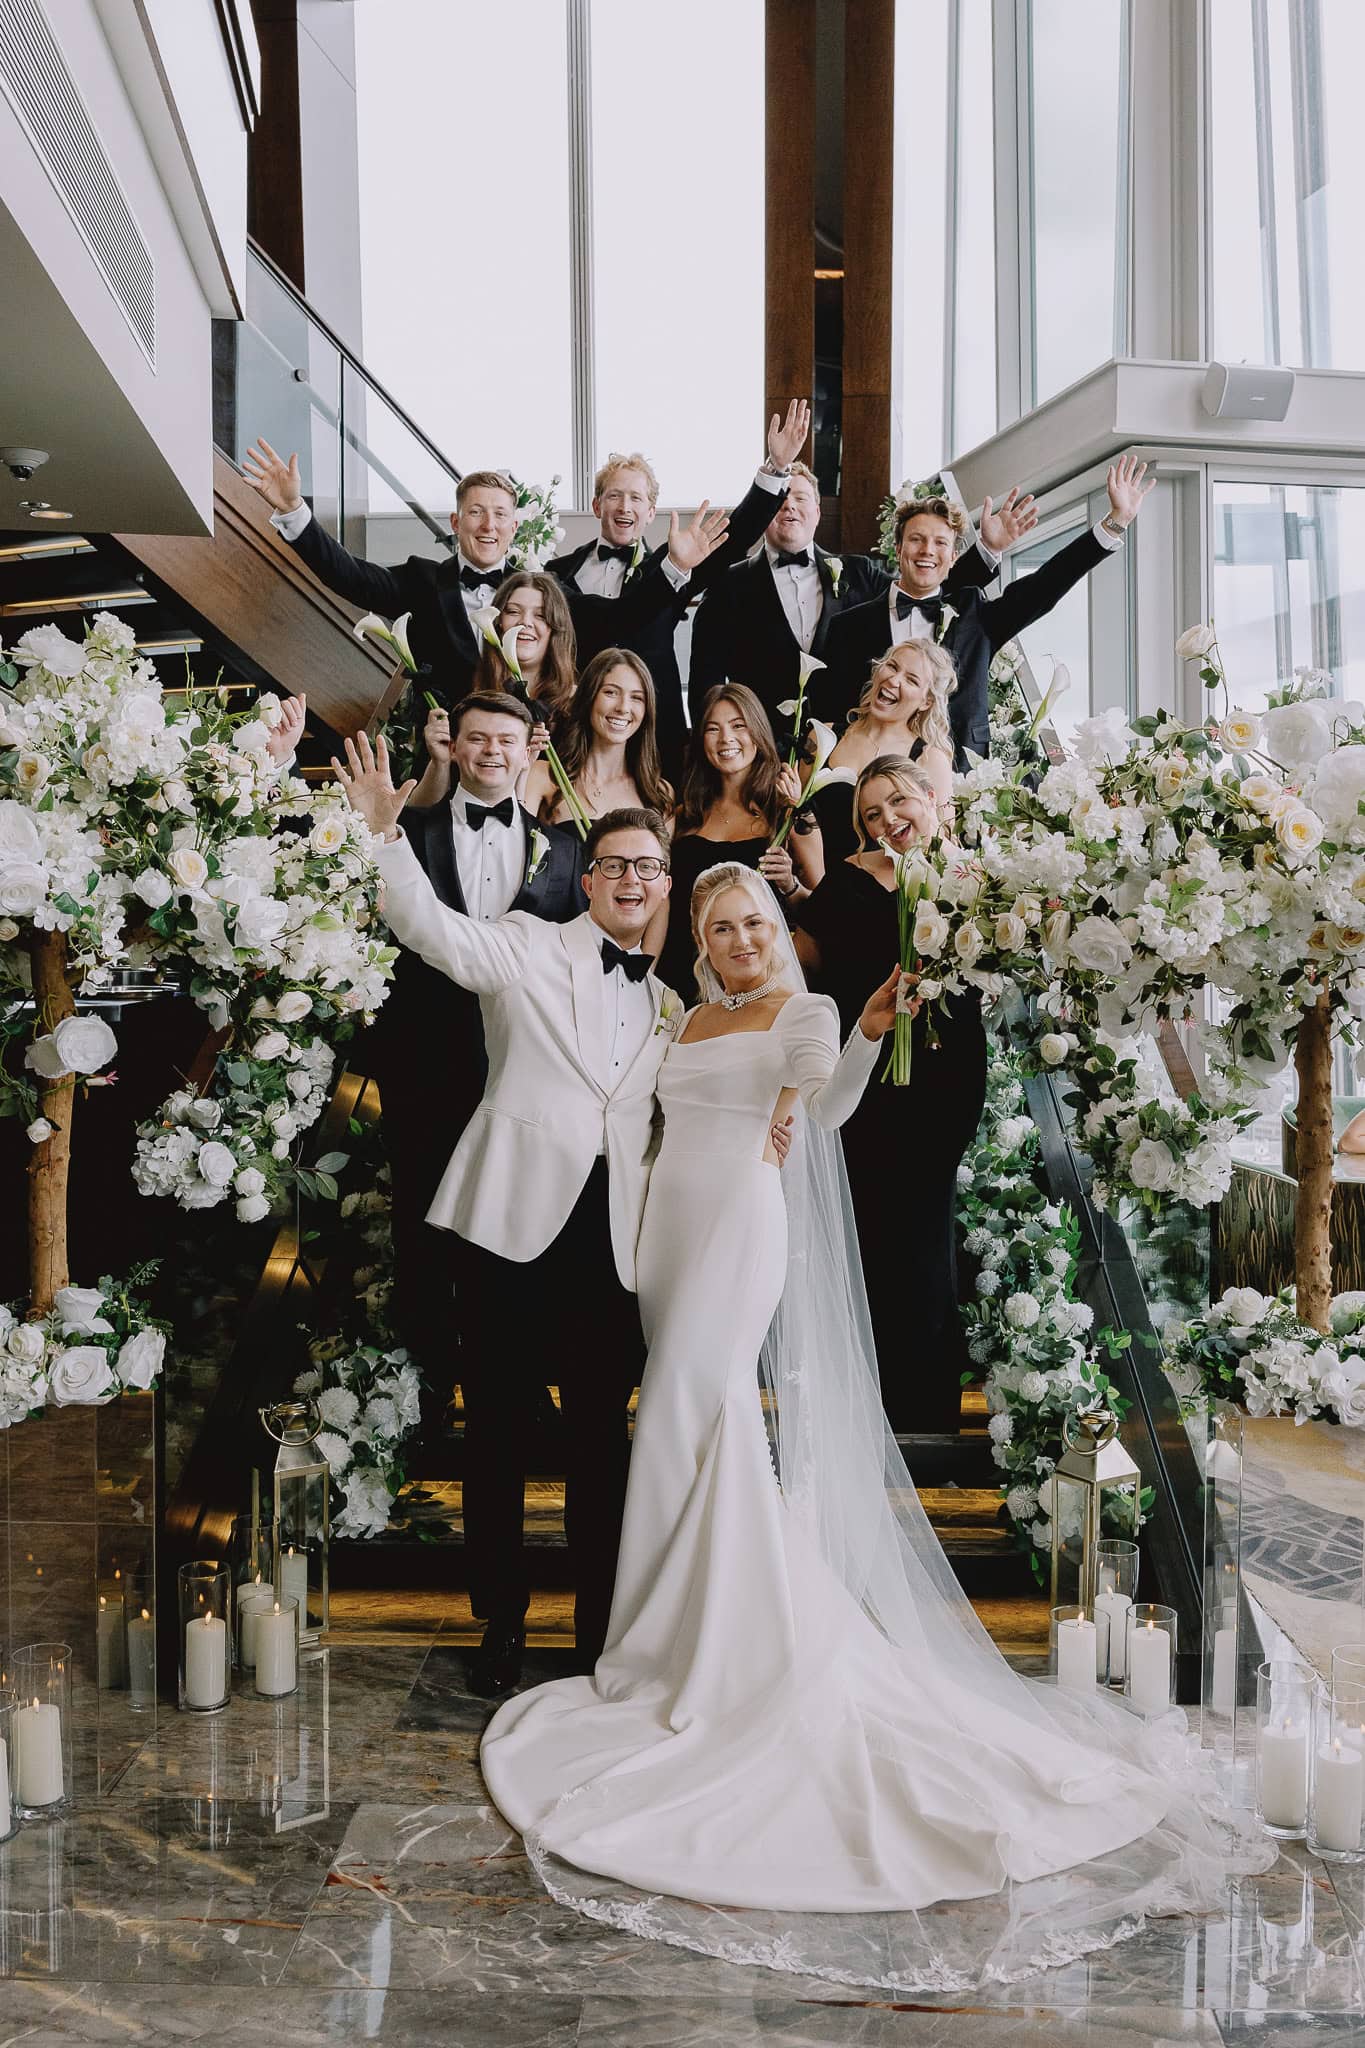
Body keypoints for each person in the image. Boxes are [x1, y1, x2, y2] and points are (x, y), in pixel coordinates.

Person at [475, 857, 1259, 1992]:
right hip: (664, 1241)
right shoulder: (684, 1014)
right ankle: (683, 1634)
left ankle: (708, 1653)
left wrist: (804, 1091)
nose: (739, 935)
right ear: (700, 938)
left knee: (687, 1411)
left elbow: (819, 1088)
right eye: (721, 923)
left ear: (777, 929)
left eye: (752, 920)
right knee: (694, 1428)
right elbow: (631, 1118)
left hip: (743, 1221)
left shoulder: (806, 1007)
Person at [333, 741, 795, 1696]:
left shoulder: (675, 1007)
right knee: (495, 1439)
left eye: (649, 868)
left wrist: (771, 1130)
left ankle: (600, 1631)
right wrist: (382, 835)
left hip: (616, 1247)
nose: (633, 880)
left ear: (667, 887)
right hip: (507, 1229)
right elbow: (432, 932)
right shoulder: (525, 945)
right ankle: (499, 1625)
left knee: (598, 1444)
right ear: (586, 881)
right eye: (616, 865)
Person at [357, 693, 583, 1468]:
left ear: (530, 752)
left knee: (521, 1233)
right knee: (423, 1235)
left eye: (505, 741)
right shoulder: (404, 832)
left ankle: (519, 1389)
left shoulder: (567, 848)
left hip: (527, 1076)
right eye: (476, 738)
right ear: (452, 746)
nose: (491, 751)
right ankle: (426, 1395)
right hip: (425, 1068)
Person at [242, 443, 708, 731]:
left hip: (522, 751)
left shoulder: (540, 590)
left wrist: (674, 566)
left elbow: (617, 619)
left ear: (514, 527)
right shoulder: (421, 579)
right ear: (455, 521)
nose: (489, 526)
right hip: (439, 749)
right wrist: (295, 513)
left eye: (500, 514)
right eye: (477, 513)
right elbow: (348, 574)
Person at [796, 756, 986, 1433]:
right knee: (873, 1230)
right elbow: (799, 962)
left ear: (930, 799)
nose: (887, 821)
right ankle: (863, 1410)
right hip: (868, 1076)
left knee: (926, 1231)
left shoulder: (973, 878)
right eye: (871, 814)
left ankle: (927, 1410)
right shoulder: (847, 882)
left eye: (897, 803)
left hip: (945, 1072)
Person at [823, 455, 1156, 766]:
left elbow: (1045, 585)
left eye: (941, 543)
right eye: (916, 539)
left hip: (956, 775)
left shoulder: (974, 615)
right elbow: (832, 713)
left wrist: (1113, 525)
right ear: (898, 548)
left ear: (954, 557)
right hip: (871, 780)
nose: (927, 550)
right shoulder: (847, 626)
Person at [549, 402, 814, 782]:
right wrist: (674, 570)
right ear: (596, 505)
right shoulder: (558, 575)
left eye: (637, 498)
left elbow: (735, 535)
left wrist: (776, 468)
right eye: (614, 496)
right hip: (580, 742)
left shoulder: (673, 562)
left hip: (658, 744)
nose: (625, 506)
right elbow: (612, 619)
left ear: (651, 512)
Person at [688, 466, 1038, 746]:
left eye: (800, 497)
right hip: (756, 750)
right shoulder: (727, 586)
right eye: (779, 498)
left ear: (817, 509)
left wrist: (987, 551)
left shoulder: (861, 573)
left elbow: (927, 589)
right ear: (763, 510)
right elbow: (707, 679)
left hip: (849, 749)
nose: (789, 505)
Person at [655, 684, 815, 994]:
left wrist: (789, 885)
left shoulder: (788, 812)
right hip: (681, 974)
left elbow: (820, 910)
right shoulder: (684, 813)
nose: (726, 738)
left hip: (754, 978)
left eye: (738, 726)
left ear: (757, 731)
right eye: (713, 729)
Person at [806, 639, 958, 865]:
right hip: (803, 874)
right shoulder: (822, 735)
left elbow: (939, 846)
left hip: (878, 887)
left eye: (911, 680)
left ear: (926, 702)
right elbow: (794, 811)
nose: (893, 680)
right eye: (892, 666)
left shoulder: (929, 758)